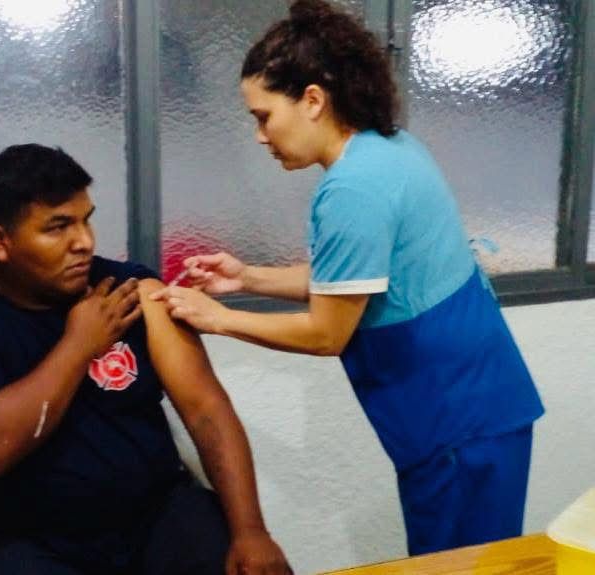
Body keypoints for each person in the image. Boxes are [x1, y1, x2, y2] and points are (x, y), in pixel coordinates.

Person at [150, 0, 545, 557]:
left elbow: (326, 333)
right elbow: (353, 280)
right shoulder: (388, 148)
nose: (260, 136)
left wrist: (219, 319)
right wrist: (246, 279)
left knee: (460, 567)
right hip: (480, 406)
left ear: (313, 100)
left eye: (264, 116)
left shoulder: (353, 189)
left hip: (455, 424)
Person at [0, 143, 291, 575]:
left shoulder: (130, 289)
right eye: (57, 228)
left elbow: (206, 411)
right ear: (0, 241)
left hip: (154, 517)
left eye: (86, 220)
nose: (84, 242)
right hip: (23, 538)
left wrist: (251, 531)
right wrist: (78, 345)